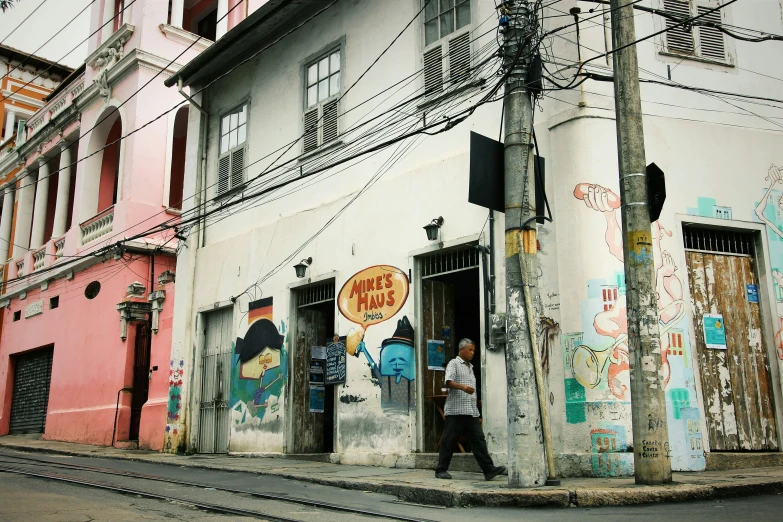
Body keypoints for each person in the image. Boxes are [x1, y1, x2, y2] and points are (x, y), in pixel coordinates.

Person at [435, 338, 506, 480]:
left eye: (473, 350)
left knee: (478, 440)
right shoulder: (454, 363)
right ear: (462, 350)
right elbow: (448, 381)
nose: (472, 353)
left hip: (471, 411)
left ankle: (488, 469)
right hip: (456, 411)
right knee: (449, 440)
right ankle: (441, 469)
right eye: (470, 350)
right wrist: (463, 387)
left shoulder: (470, 367)